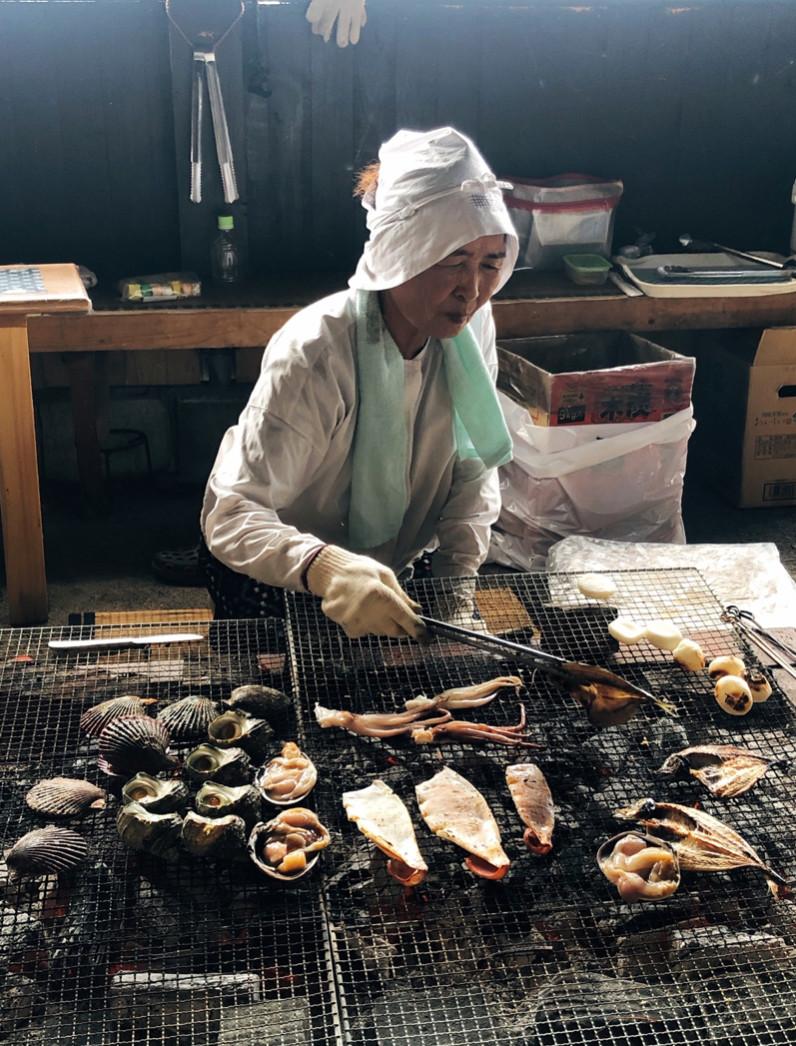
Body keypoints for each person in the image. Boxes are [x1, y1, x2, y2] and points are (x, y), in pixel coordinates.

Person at [200, 126, 519, 639]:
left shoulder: (470, 329)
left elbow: (471, 466)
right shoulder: (318, 352)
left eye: (490, 263)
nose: (473, 289)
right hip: (283, 570)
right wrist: (327, 568)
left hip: (389, 566)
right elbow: (233, 514)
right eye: (453, 260)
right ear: (401, 252)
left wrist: (455, 591)